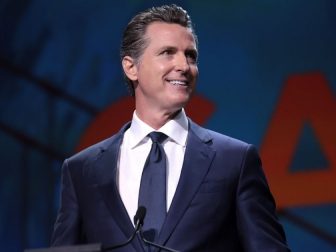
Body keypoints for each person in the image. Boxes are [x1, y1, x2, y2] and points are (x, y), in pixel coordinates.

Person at [51, 4, 290, 252]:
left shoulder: (235, 161)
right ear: (131, 67)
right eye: (168, 52)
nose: (184, 66)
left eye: (190, 55)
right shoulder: (81, 170)